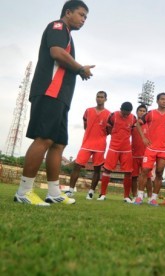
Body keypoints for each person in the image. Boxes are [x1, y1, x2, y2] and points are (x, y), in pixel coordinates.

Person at [14, 0, 94, 206]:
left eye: (86, 17)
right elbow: (56, 53)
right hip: (50, 91)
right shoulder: (58, 27)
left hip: (61, 96)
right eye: (81, 14)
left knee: (58, 143)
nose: (84, 20)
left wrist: (78, 69)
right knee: (44, 139)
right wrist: (80, 69)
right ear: (68, 13)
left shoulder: (68, 34)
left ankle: (53, 192)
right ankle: (23, 192)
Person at [133, 93, 165, 206]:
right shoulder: (151, 113)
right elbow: (138, 123)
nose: (164, 101)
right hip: (150, 148)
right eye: (162, 99)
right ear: (157, 101)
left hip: (163, 149)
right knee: (144, 171)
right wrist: (143, 137)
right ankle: (139, 197)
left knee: (159, 173)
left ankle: (153, 198)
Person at [64, 91, 110, 199]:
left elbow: (109, 130)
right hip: (87, 143)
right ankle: (70, 190)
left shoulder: (109, 114)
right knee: (77, 166)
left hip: (100, 145)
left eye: (101, 97)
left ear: (105, 99)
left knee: (97, 169)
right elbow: (85, 124)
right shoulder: (88, 111)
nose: (99, 99)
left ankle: (91, 192)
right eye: (97, 96)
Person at [98, 102, 136, 202]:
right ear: (120, 109)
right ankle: (102, 194)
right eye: (124, 113)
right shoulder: (113, 116)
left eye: (127, 114)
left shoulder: (133, 118)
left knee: (128, 172)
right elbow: (107, 128)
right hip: (113, 147)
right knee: (107, 170)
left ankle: (126, 196)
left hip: (126, 149)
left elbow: (134, 131)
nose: (125, 115)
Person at [131, 104, 153, 202]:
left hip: (146, 155)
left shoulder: (149, 124)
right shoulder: (133, 124)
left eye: (144, 111)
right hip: (134, 155)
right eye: (140, 110)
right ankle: (135, 196)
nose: (142, 112)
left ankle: (150, 197)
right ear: (137, 112)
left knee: (148, 178)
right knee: (134, 177)